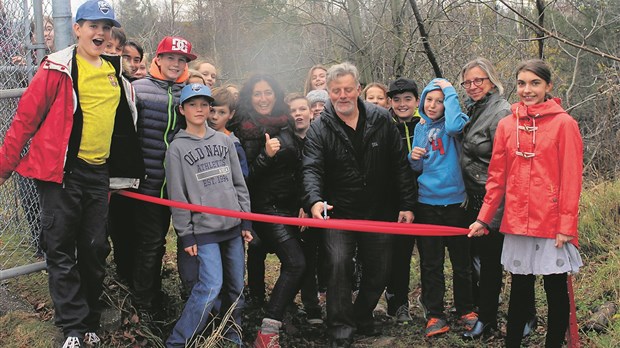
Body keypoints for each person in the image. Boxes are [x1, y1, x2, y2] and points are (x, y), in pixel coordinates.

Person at [0, 1, 143, 347]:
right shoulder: (57, 68)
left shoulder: (114, 73)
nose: (101, 33)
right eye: (93, 25)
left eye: (106, 28)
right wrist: (2, 169)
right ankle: (74, 329)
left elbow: (125, 126)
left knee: (94, 248)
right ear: (77, 28)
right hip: (62, 173)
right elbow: (25, 120)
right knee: (61, 250)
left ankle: (91, 320)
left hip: (98, 173)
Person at [469, 59, 584, 348]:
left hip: (552, 223)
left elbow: (571, 179)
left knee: (555, 289)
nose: (527, 90)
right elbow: (496, 178)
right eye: (521, 83)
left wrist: (566, 225)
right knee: (520, 288)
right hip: (518, 221)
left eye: (534, 83)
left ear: (548, 87)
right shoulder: (507, 124)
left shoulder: (565, 124)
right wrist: (483, 219)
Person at [302, 62, 416, 348]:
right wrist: (314, 200)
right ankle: (340, 328)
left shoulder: (380, 120)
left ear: (359, 90)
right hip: (339, 212)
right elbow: (311, 168)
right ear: (327, 92)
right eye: (336, 90)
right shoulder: (319, 128)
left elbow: (399, 164)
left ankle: (361, 314)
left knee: (380, 270)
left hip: (378, 210)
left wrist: (406, 203)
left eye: (348, 89)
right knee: (339, 266)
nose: (343, 95)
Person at [110, 36, 196, 313]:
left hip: (180, 185)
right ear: (158, 59)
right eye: (170, 57)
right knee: (150, 242)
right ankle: (145, 302)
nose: (175, 63)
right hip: (148, 183)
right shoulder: (139, 89)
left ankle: (182, 293)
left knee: (175, 241)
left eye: (181, 59)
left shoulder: (191, 92)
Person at [165, 83, 252, 348]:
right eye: (193, 104)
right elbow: (177, 196)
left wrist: (245, 219)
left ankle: (231, 334)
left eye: (204, 104)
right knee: (211, 285)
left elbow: (239, 183)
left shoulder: (225, 140)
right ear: (182, 109)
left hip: (233, 227)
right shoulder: (176, 149)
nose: (200, 109)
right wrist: (186, 233)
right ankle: (178, 340)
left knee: (236, 285)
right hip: (203, 231)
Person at [228, 74, 307, 348]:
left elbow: (298, 167)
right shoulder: (243, 128)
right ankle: (268, 328)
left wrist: (304, 202)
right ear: (250, 98)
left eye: (268, 93)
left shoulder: (285, 121)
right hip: (264, 207)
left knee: (295, 262)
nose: (263, 98)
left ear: (276, 95)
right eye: (257, 94)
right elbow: (243, 179)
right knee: (296, 263)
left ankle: (270, 306)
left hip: (290, 205)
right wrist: (266, 156)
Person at [409, 78, 477, 337]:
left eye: (440, 100)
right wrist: (412, 158)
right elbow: (418, 167)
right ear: (422, 102)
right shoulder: (421, 128)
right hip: (427, 203)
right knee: (431, 263)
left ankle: (466, 310)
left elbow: (452, 124)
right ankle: (435, 314)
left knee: (461, 262)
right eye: (429, 99)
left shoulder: (455, 124)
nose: (434, 105)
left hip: (456, 203)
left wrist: (448, 88)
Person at [457, 58, 518, 339]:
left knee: (493, 262)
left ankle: (490, 318)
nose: (472, 86)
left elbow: (505, 167)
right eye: (468, 82)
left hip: (494, 199)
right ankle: (486, 312)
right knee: (478, 261)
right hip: (473, 197)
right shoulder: (472, 110)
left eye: (478, 80)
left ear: (492, 80)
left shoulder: (501, 112)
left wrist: (490, 213)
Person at [383, 77, 421, 323]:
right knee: (395, 253)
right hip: (392, 198)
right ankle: (395, 301)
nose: (402, 104)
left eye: (408, 99)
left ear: (417, 101)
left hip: (424, 196)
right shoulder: (384, 125)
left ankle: (415, 302)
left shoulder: (426, 125)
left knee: (418, 254)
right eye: (397, 100)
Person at [287, 94, 323, 325]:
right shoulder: (283, 139)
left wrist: (309, 204)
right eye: (293, 110)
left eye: (303, 109)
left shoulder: (320, 137)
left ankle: (312, 305)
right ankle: (288, 303)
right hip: (287, 207)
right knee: (292, 259)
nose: (298, 114)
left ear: (311, 113)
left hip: (314, 205)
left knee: (312, 256)